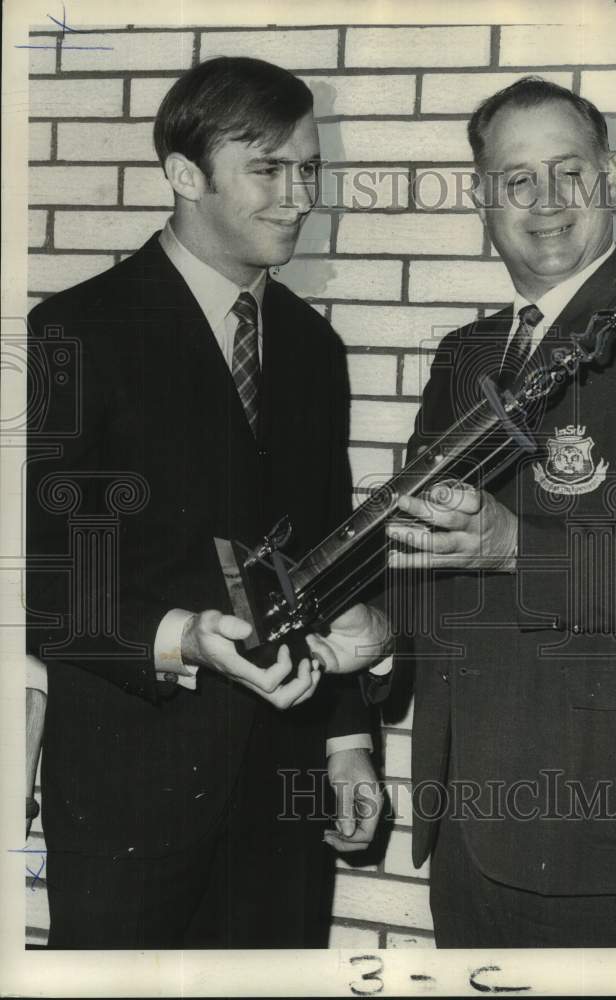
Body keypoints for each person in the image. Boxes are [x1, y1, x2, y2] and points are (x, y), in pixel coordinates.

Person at [384, 77, 616, 948]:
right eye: (515, 179)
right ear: (482, 197)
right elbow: (426, 554)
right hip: (466, 825)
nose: (545, 201)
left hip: (607, 833)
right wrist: (374, 636)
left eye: (569, 171)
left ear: (614, 176)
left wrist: (520, 546)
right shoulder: (464, 354)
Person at [25, 56, 390, 950]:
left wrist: (346, 744)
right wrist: (183, 635)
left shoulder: (312, 348)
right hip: (129, 802)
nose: (300, 195)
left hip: (281, 796)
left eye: (309, 168)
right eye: (268, 168)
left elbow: (327, 568)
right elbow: (34, 581)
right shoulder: (74, 334)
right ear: (183, 175)